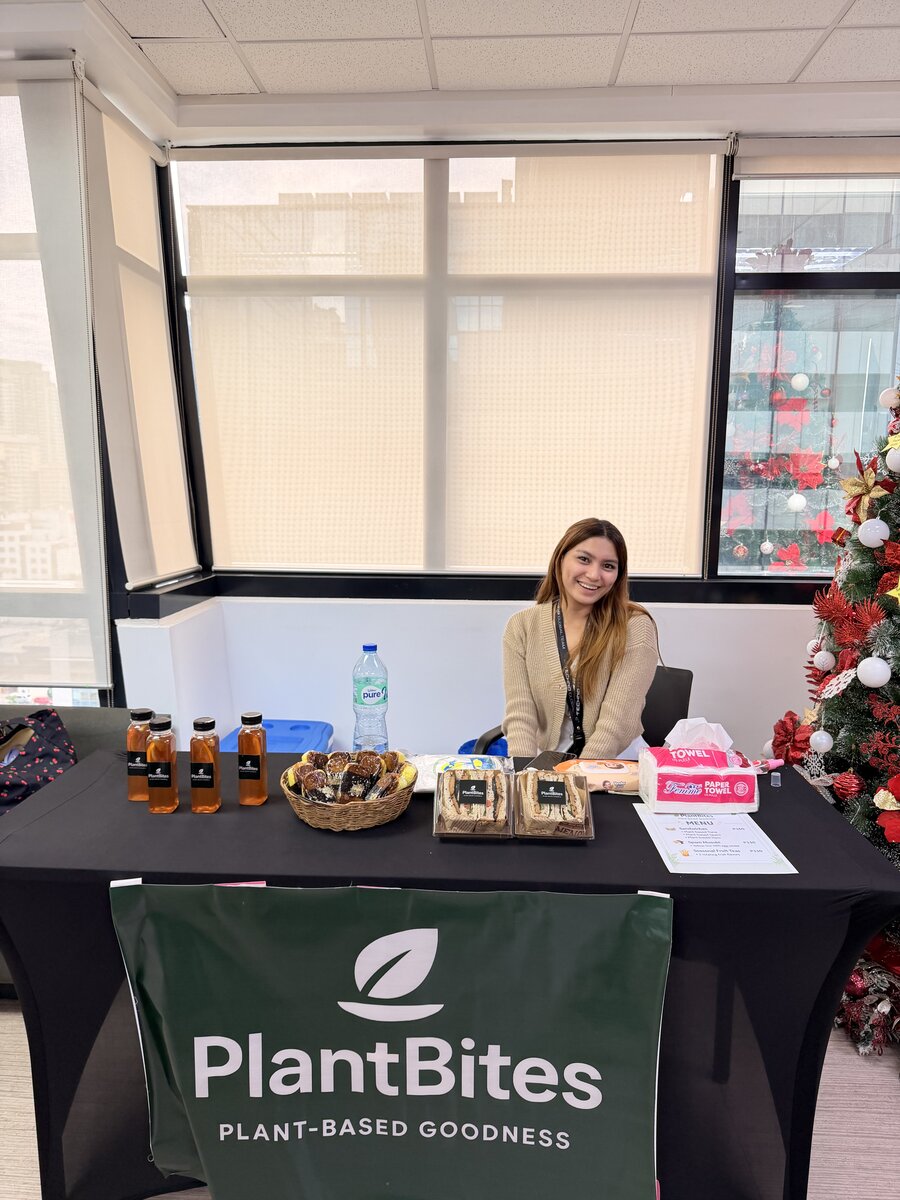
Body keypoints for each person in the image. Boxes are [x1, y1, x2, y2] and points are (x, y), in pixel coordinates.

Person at [502, 518, 658, 760]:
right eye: (584, 559)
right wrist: (524, 771)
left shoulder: (635, 626)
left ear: (618, 575)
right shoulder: (522, 626)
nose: (594, 574)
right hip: (550, 761)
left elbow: (616, 723)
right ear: (560, 558)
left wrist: (580, 774)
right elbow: (521, 714)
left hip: (616, 763)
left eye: (608, 566)